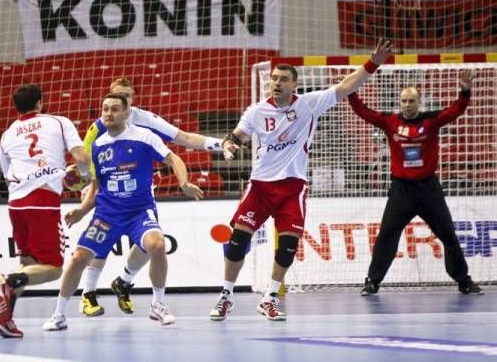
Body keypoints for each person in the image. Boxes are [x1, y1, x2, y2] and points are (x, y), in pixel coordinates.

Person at [209, 38, 394, 322]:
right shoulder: (257, 111)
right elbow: (236, 136)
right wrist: (230, 145)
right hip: (260, 186)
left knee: (287, 248)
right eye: (274, 79)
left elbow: (346, 87)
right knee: (237, 242)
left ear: (294, 84)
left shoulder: (308, 104)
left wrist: (373, 64)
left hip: (292, 187)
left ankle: (269, 298)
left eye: (283, 79)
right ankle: (226, 296)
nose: (277, 83)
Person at [42, 93, 203, 331]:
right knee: (78, 258)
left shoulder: (144, 136)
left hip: (140, 211)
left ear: (127, 113)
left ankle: (157, 305)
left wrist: (184, 183)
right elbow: (97, 185)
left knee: (157, 245)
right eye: (105, 109)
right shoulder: (97, 145)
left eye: (115, 109)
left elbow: (174, 158)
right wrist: (82, 211)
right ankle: (59, 315)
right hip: (107, 215)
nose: (108, 113)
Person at [75, 77, 224, 317]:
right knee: (99, 245)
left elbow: (183, 138)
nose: (122, 100)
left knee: (148, 244)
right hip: (107, 191)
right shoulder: (99, 126)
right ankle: (89, 294)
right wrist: (86, 188)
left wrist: (219, 144)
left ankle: (124, 280)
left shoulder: (146, 121)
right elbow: (83, 160)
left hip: (139, 192)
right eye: (117, 95)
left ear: (131, 101)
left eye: (127, 96)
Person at [347, 70, 482, 296]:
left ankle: (464, 281)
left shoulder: (431, 120)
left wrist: (465, 92)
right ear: (399, 103)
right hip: (401, 191)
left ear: (419, 102)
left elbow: (455, 111)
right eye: (403, 101)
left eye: (411, 101)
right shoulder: (390, 122)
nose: (407, 105)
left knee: (448, 235)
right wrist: (351, 93)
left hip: (429, 189)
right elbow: (363, 112)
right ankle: (372, 282)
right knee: (386, 236)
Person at [0, 84, 90, 338]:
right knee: (54, 268)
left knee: (28, 264)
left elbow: (6, 170)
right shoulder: (59, 122)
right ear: (40, 103)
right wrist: (84, 178)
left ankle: (4, 318)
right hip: (43, 200)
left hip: (16, 203)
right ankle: (8, 281)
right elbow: (82, 157)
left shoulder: (8, 133)